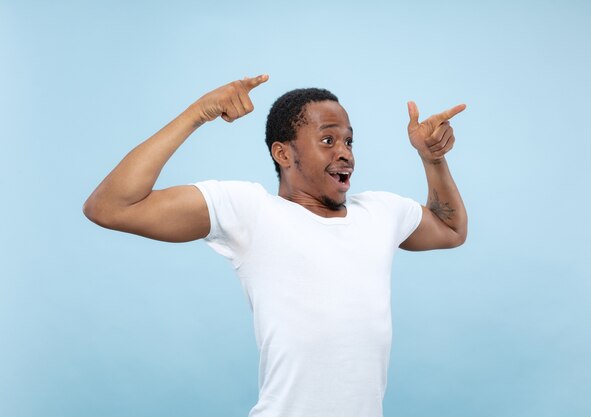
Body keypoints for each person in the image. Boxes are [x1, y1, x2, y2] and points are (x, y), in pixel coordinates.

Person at [83, 74, 468, 417]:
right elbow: (110, 206)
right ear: (282, 153)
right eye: (328, 139)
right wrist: (198, 113)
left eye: (349, 140)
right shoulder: (250, 212)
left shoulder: (380, 212)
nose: (345, 152)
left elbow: (450, 229)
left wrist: (432, 160)